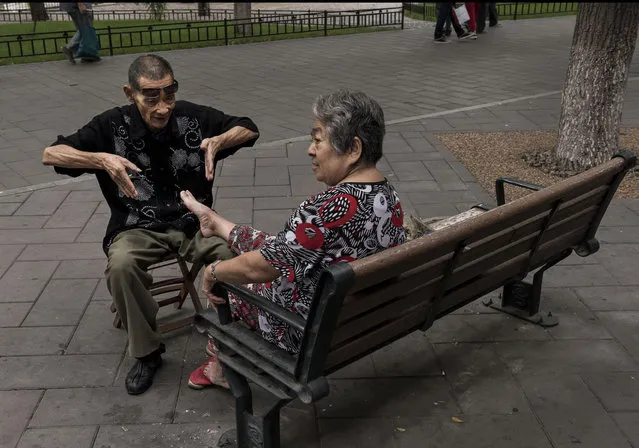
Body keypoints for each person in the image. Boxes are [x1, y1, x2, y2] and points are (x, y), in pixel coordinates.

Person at [41, 54, 259, 395]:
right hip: (136, 225)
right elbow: (51, 154)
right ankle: (147, 353)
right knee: (122, 266)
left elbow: (247, 126)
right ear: (130, 92)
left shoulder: (191, 117)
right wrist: (100, 159)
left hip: (193, 220)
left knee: (235, 257)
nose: (163, 107)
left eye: (169, 94)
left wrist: (219, 141)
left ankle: (231, 344)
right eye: (151, 97)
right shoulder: (110, 125)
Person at [181, 90, 407, 390]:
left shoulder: (323, 210)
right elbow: (285, 251)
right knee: (274, 248)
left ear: (353, 149)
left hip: (304, 332)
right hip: (357, 319)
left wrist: (212, 272)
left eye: (317, 140)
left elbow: (258, 269)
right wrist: (221, 224)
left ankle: (222, 366)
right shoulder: (388, 197)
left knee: (232, 284)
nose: (310, 150)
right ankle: (215, 221)